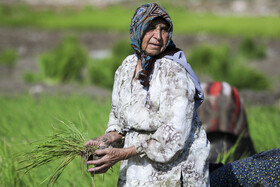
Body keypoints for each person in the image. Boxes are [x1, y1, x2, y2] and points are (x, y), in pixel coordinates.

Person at [85, 3, 210, 186]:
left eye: (164, 29)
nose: (158, 36)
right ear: (137, 29)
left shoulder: (174, 73)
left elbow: (172, 138)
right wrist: (106, 140)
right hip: (137, 169)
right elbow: (119, 122)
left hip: (176, 170)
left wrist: (121, 154)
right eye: (150, 28)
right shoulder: (126, 68)